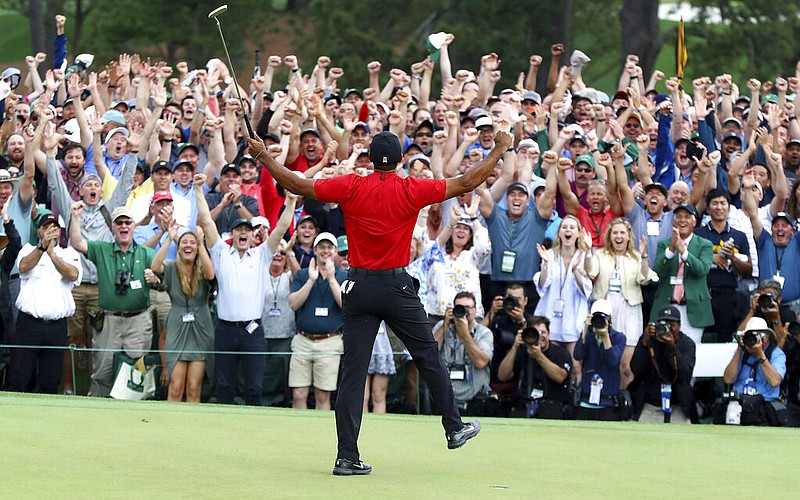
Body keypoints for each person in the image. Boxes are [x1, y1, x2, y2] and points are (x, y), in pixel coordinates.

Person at [247, 129, 512, 475]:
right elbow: (467, 182)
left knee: (353, 372)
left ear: (370, 161)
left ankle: (346, 456)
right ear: (401, 160)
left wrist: (263, 156)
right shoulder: (410, 188)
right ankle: (454, 427)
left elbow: (296, 184)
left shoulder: (352, 185)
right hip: (396, 287)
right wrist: (500, 149)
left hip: (357, 285)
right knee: (427, 355)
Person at [194, 173, 286, 406]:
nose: (243, 233)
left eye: (247, 230)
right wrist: (197, 189)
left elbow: (281, 228)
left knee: (255, 387)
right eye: (239, 230)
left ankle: (253, 432)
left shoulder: (262, 254)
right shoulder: (220, 253)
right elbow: (205, 220)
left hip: (253, 332)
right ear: (232, 234)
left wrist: (292, 202)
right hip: (225, 330)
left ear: (253, 235)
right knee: (225, 387)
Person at [69, 204, 156, 398]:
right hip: (109, 320)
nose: (124, 227)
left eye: (128, 222)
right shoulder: (102, 249)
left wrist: (155, 278)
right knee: (102, 371)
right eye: (119, 223)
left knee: (137, 371)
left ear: (134, 226)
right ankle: (99, 415)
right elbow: (77, 243)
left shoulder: (147, 253)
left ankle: (134, 417)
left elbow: (162, 277)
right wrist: (75, 217)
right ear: (113, 228)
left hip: (138, 320)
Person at [6, 214, 81, 393]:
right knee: (19, 377)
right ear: (39, 230)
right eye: (47, 227)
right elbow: (24, 267)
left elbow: (73, 275)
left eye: (54, 227)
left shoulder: (69, 253)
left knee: (50, 379)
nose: (51, 230)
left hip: (57, 327)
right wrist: (41, 249)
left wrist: (52, 254)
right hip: (29, 325)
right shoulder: (28, 249)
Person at [589, 218, 657, 388]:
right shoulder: (600, 255)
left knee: (624, 366)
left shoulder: (635, 256)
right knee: (608, 361)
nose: (618, 236)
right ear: (610, 236)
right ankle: (609, 399)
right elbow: (590, 272)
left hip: (630, 310)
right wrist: (588, 251)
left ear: (628, 237)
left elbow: (645, 279)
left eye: (622, 233)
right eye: (615, 233)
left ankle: (622, 401)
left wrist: (644, 256)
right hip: (606, 309)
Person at [150, 224, 215, 403]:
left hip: (200, 328)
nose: (188, 245)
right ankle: (172, 426)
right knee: (176, 385)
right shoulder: (171, 268)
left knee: (194, 387)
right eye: (184, 242)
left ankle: (192, 428)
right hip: (177, 327)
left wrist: (201, 244)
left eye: (192, 242)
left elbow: (211, 275)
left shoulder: (202, 268)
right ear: (178, 249)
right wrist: (170, 238)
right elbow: (155, 267)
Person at [287, 232, 347, 410]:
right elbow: (293, 303)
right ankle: (298, 433)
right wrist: (311, 280)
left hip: (330, 341)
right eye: (321, 247)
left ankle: (320, 434)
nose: (325, 251)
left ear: (336, 251)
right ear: (314, 250)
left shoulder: (343, 276)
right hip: (303, 340)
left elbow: (346, 305)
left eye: (329, 247)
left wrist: (331, 278)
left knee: (323, 395)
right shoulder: (302, 275)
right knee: (298, 393)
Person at [651, 204, 714, 345]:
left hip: (692, 308)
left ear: (694, 222)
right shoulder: (664, 244)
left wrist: (684, 253)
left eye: (686, 217)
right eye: (678, 217)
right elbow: (656, 273)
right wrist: (671, 250)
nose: (682, 220)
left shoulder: (704, 244)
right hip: (667, 306)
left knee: (690, 350)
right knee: (664, 348)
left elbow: (702, 269)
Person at [534, 215, 593, 362]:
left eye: (572, 227)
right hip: (550, 315)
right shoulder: (549, 254)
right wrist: (545, 264)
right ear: (559, 232)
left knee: (575, 364)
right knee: (551, 361)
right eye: (564, 227)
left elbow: (586, 284)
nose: (568, 230)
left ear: (578, 233)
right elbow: (542, 284)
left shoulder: (583, 255)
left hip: (572, 316)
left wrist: (574, 270)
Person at [629, 306, 697, 424]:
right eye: (664, 325)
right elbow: (635, 369)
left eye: (671, 325)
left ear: (679, 326)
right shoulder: (649, 339)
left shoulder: (687, 344)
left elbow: (686, 375)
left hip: (677, 407)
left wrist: (672, 348)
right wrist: (644, 344)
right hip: (650, 406)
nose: (667, 329)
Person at [497, 315, 573, 419]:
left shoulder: (560, 353)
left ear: (549, 334)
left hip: (551, 406)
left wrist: (539, 356)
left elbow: (560, 377)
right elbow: (503, 376)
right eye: (535, 332)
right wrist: (515, 347)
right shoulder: (522, 351)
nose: (540, 336)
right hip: (523, 404)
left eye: (543, 332)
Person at [433, 292, 494, 415]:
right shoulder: (442, 327)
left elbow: (481, 362)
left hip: (475, 400)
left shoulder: (484, 333)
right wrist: (444, 326)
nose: (464, 312)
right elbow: (429, 355)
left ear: (475, 310)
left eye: (468, 308)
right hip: (445, 399)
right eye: (460, 307)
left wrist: (464, 333)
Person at [721, 317, 786, 425]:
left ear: (767, 337)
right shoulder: (741, 353)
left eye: (759, 336)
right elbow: (728, 379)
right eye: (751, 336)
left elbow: (775, 381)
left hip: (763, 408)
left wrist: (760, 354)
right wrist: (739, 350)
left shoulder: (776, 354)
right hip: (738, 405)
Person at [573, 299, 627, 421]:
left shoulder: (619, 338)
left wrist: (606, 337)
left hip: (608, 402)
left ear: (610, 319)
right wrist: (585, 332)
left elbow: (613, 361)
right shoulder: (588, 337)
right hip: (585, 401)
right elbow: (577, 355)